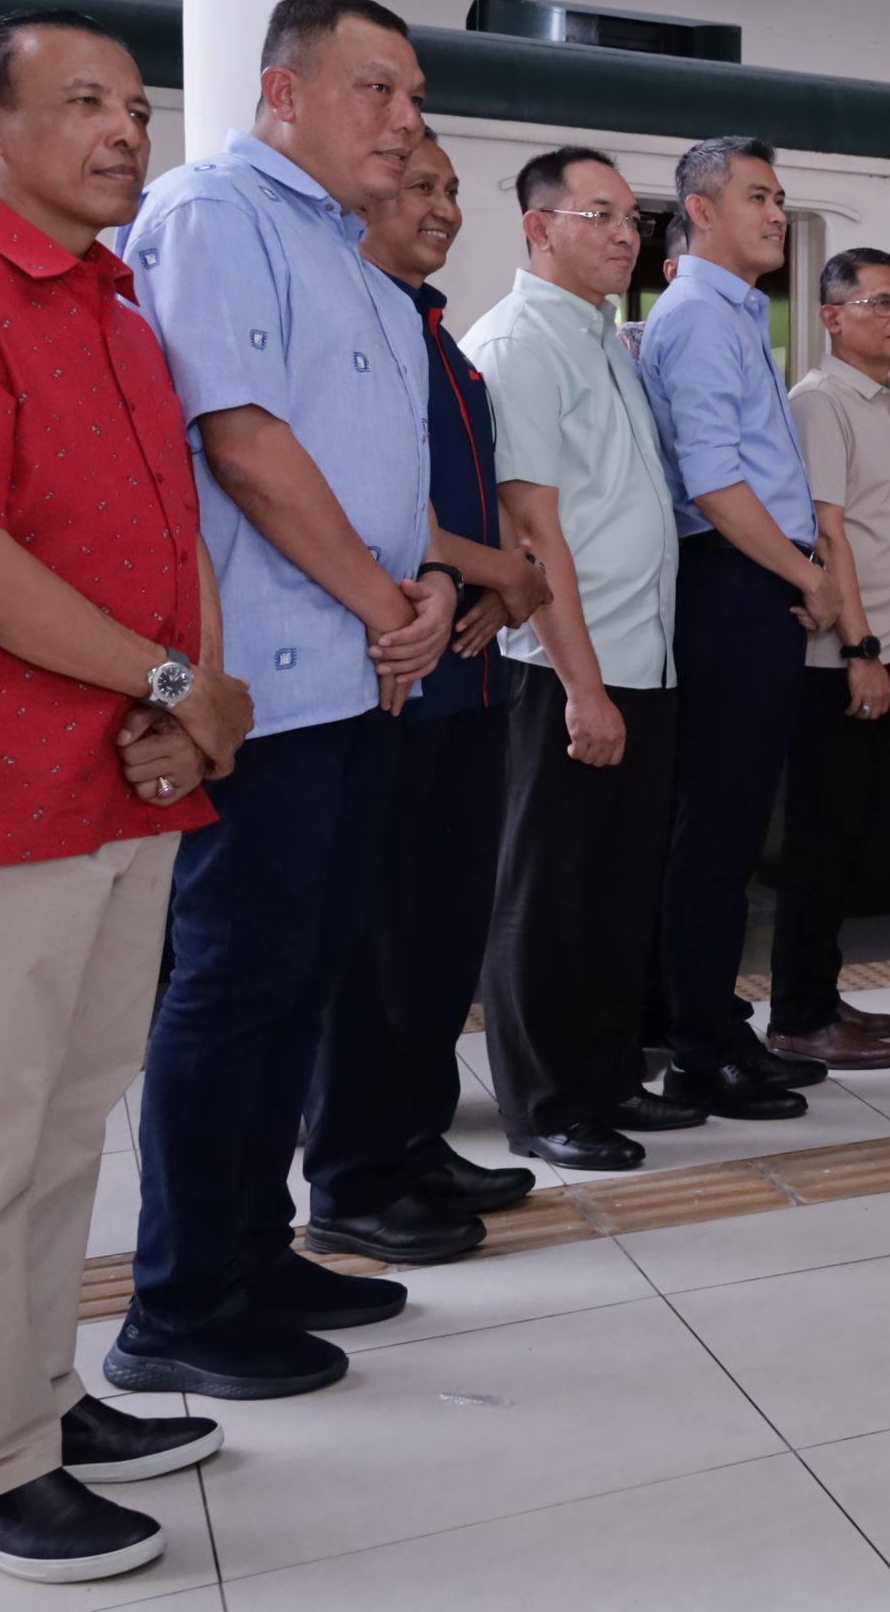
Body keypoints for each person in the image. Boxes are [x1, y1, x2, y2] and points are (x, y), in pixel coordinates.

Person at [0, 10, 250, 1581]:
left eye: (136, 106)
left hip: (125, 781)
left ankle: (43, 1400)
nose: (126, 131)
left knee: (70, 1125)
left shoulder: (120, 309)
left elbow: (175, 537)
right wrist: (173, 684)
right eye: (83, 102)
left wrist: (193, 712)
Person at [115, 0, 454, 1399]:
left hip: (360, 678)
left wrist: (427, 593)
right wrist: (387, 604)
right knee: (235, 985)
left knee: (304, 979)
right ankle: (179, 1302)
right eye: (378, 88)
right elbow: (242, 446)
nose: (406, 121)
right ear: (283, 92)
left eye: (414, 95)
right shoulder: (215, 214)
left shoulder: (353, 259)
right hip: (262, 680)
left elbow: (386, 478)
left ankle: (257, 1251)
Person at [303, 134, 554, 1261]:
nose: (443, 205)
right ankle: (355, 1175)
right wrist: (502, 568)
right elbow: (359, 500)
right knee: (377, 942)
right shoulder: (354, 324)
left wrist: (499, 580)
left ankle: (415, 1137)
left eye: (452, 188)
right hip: (391, 675)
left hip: (471, 671)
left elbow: (459, 498)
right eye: (419, 185)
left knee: (443, 930)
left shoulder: (437, 334)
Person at [464, 147, 688, 1172]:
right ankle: (545, 1102)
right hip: (561, 670)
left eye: (632, 218)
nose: (625, 235)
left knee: (614, 890)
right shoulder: (519, 344)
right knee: (548, 894)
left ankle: (606, 1078)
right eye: (600, 215)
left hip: (639, 659)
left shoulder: (604, 339)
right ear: (538, 227)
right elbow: (531, 529)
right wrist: (584, 689)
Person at [643, 139, 853, 1095]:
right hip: (731, 582)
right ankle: (702, 1050)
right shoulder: (697, 316)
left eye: (780, 198)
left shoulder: (732, 312)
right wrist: (806, 573)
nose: (776, 215)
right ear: (700, 209)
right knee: (718, 832)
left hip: (751, 578)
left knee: (727, 827)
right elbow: (715, 483)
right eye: (758, 197)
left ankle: (708, 1019)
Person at [782, 240, 890, 1067]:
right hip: (844, 659)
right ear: (832, 317)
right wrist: (860, 647)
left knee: (856, 838)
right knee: (822, 840)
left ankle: (822, 989)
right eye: (880, 303)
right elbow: (827, 532)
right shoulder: (821, 403)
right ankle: (799, 1016)